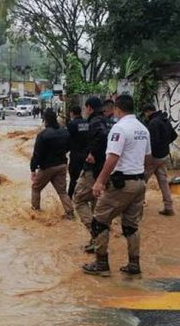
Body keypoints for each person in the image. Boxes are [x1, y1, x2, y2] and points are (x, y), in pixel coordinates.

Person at [83, 95, 150, 278]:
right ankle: (134, 264)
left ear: (117, 109)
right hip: (139, 183)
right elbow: (147, 157)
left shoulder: (119, 128)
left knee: (99, 221)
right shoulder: (143, 129)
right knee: (131, 226)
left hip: (121, 184)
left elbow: (112, 157)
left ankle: (101, 263)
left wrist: (99, 182)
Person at [72, 97, 109, 254]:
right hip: (103, 169)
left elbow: (100, 136)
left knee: (79, 199)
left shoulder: (95, 122)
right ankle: (98, 239)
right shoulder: (106, 120)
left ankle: (95, 235)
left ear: (89, 108)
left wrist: (92, 153)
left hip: (93, 170)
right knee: (95, 202)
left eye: (86, 108)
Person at [30, 108, 75, 219]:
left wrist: (33, 169)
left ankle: (35, 212)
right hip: (61, 165)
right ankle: (70, 214)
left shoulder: (43, 135)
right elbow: (69, 147)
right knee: (62, 192)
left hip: (47, 167)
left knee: (35, 188)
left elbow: (37, 154)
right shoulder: (65, 131)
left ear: (45, 120)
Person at [142, 104, 178, 216]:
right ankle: (168, 207)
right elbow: (174, 136)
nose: (145, 116)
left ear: (148, 112)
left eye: (145, 113)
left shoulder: (153, 123)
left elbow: (152, 142)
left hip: (154, 157)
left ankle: (138, 204)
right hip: (163, 156)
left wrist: (147, 156)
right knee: (163, 181)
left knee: (142, 180)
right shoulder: (165, 120)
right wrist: (164, 145)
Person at [67, 106, 88, 198]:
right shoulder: (86, 123)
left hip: (75, 154)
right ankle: (83, 195)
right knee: (84, 176)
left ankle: (70, 197)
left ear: (72, 113)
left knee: (73, 177)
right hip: (86, 154)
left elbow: (68, 138)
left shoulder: (72, 124)